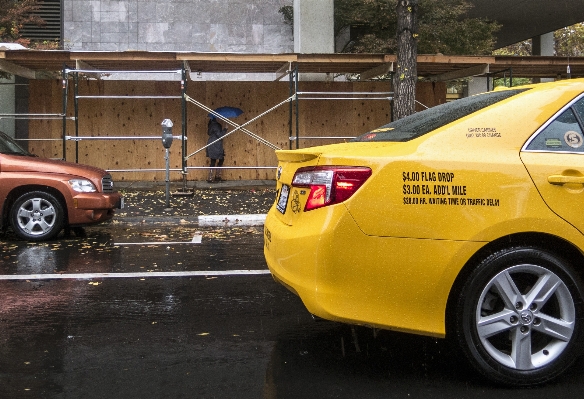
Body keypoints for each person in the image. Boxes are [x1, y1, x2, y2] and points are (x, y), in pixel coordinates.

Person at [206, 117, 227, 183]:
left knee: (213, 160)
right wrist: (225, 129)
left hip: (212, 143)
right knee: (220, 159)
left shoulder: (212, 125)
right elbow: (220, 135)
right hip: (216, 144)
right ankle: (217, 176)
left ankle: (211, 177)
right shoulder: (216, 125)